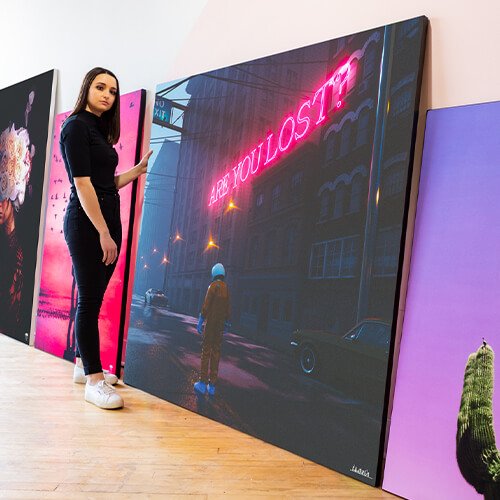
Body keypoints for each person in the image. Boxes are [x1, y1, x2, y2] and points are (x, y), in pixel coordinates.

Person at [60, 67, 152, 409]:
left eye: (112, 91)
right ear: (87, 88)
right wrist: (102, 232)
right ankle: (94, 382)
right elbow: (83, 185)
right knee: (88, 302)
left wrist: (136, 171)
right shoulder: (75, 127)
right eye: (100, 87)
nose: (107, 95)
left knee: (93, 301)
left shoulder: (97, 129)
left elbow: (105, 183)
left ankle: (83, 365)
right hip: (87, 223)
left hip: (108, 219)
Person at [194, 263, 231, 396]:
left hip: (210, 324)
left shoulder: (212, 286)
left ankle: (202, 383)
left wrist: (200, 321)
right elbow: (228, 309)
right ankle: (212, 385)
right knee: (216, 352)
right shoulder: (226, 288)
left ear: (214, 273)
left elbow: (206, 305)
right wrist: (227, 324)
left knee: (206, 352)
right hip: (220, 326)